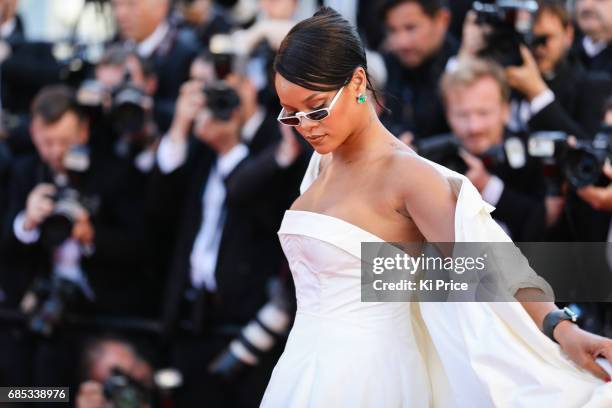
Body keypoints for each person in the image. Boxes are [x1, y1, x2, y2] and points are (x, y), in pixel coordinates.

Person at [261, 7, 612, 407]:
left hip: (370, 378)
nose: (305, 124)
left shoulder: (408, 175)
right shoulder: (321, 163)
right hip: (304, 368)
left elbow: (491, 264)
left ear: (358, 81)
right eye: (291, 114)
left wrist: (560, 327)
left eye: (316, 107)